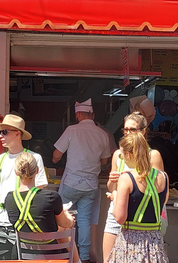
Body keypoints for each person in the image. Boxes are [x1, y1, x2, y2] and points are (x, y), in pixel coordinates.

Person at [53, 98, 112, 263]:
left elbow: (56, 156)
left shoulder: (72, 130)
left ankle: (64, 254)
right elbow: (105, 161)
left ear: (78, 114)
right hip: (91, 185)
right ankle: (83, 257)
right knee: (84, 220)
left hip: (71, 183)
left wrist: (56, 160)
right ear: (92, 115)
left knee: (62, 218)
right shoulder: (103, 134)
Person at [102, 112, 164, 262]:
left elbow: (155, 186)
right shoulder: (118, 154)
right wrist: (112, 181)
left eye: (132, 130)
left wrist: (127, 180)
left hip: (141, 215)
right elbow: (111, 187)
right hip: (117, 208)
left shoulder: (153, 155)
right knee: (109, 258)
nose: (128, 133)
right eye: (125, 130)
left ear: (143, 132)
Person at [0, 114, 48, 259]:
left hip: (22, 224)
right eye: (0, 132)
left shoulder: (34, 158)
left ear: (17, 133)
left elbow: (39, 191)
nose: (0, 135)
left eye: (5, 131)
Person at [4, 152, 80, 263]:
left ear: (16, 172)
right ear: (37, 171)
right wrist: (69, 217)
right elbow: (66, 224)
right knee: (64, 228)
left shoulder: (9, 199)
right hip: (52, 257)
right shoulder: (51, 197)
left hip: (23, 257)